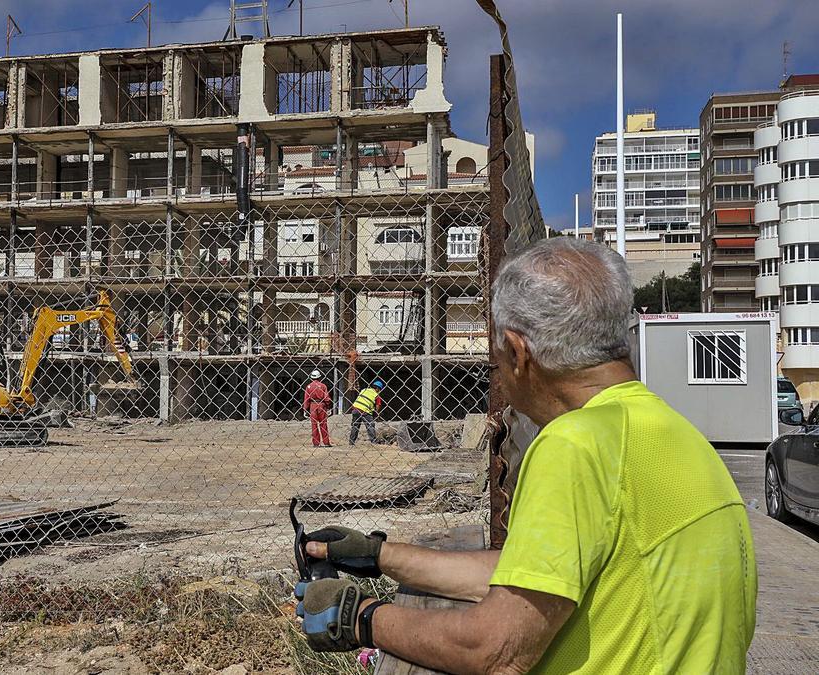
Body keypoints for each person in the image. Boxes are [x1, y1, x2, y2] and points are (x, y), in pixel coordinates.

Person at [294, 238, 757, 673]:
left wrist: (357, 618)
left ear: (518, 352)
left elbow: (497, 649)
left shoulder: (575, 444)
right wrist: (380, 555)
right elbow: (530, 577)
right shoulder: (674, 435)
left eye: (496, 363)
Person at [348, 379, 383, 445]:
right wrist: (376, 413)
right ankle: (373, 442)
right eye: (380, 389)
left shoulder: (364, 390)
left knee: (355, 425)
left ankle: (351, 442)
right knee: (370, 426)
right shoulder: (376, 395)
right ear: (378, 388)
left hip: (355, 408)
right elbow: (378, 405)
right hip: (365, 411)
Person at [303, 369, 332, 447]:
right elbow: (327, 398)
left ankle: (316, 443)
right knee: (323, 424)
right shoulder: (323, 386)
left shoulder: (308, 386)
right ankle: (326, 443)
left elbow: (306, 399)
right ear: (320, 377)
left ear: (311, 378)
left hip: (313, 405)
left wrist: (305, 409)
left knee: (314, 425)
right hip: (322, 405)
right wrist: (328, 407)